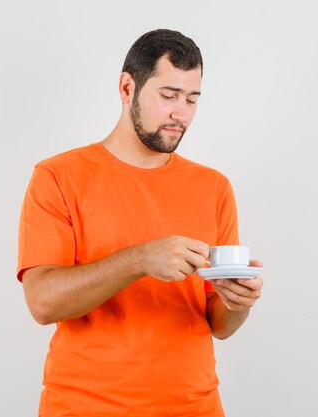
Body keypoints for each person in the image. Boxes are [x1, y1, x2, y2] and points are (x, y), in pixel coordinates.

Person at [17, 28, 264, 417]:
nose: (180, 113)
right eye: (168, 96)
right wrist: (140, 260)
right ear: (127, 87)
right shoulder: (58, 176)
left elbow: (220, 324)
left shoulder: (214, 187)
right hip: (85, 407)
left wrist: (239, 302)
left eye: (192, 99)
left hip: (194, 408)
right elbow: (42, 302)